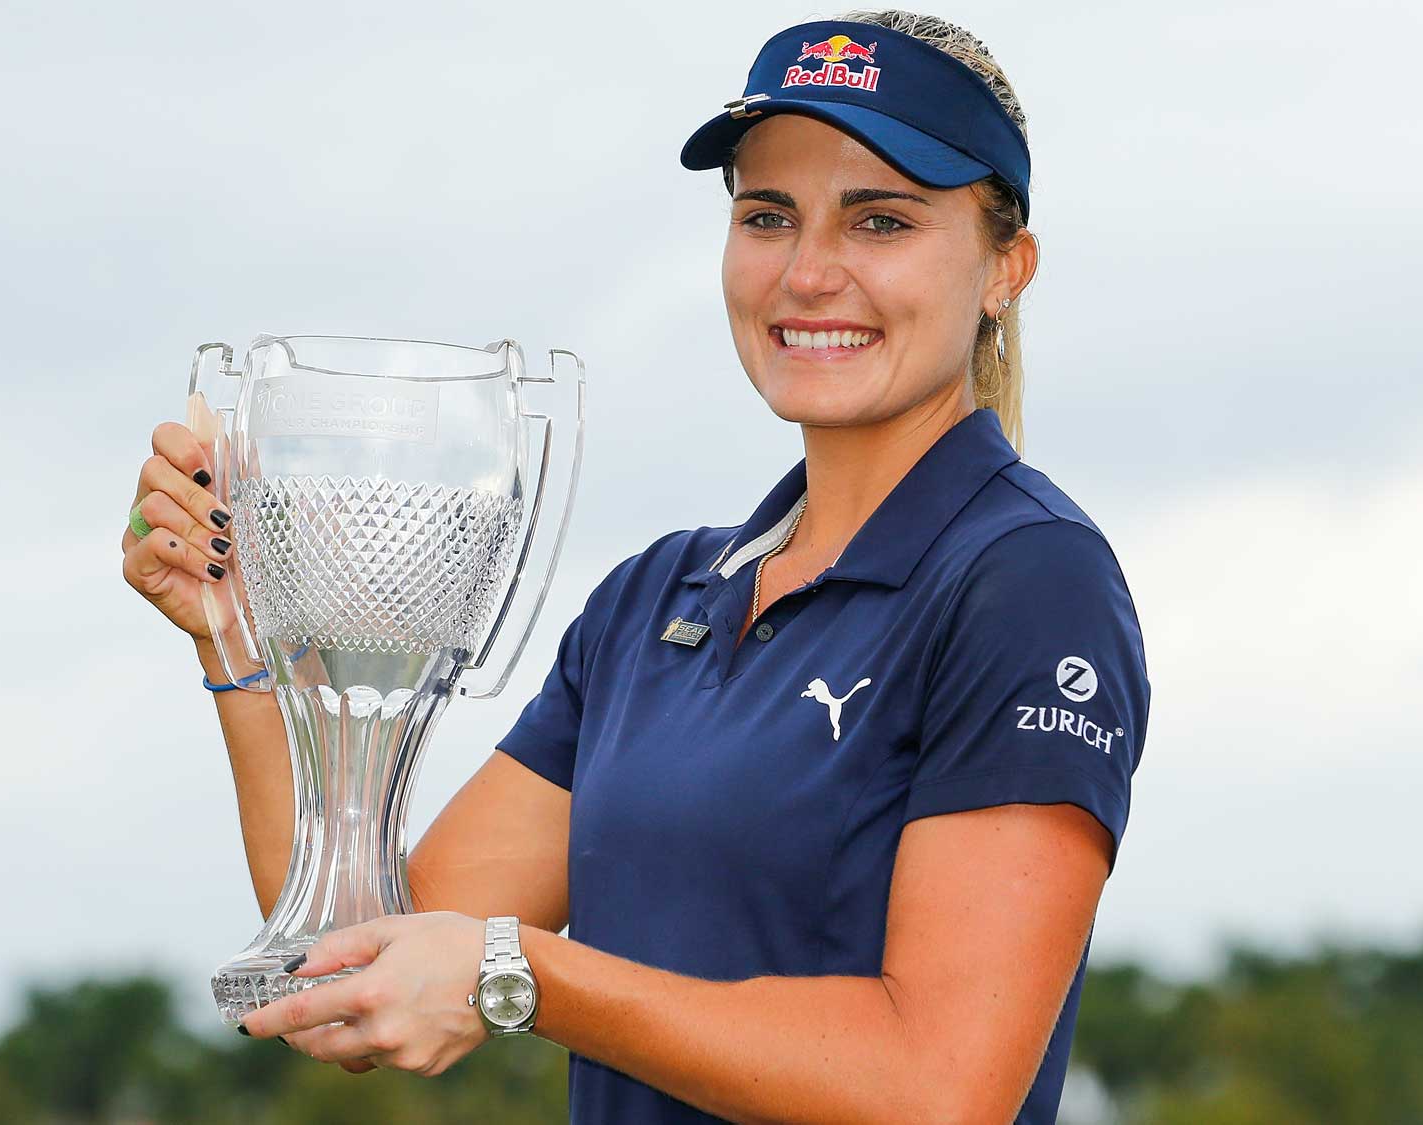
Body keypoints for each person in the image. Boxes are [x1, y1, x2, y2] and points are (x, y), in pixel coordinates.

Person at [120, 10, 1149, 1123]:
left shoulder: (1025, 581)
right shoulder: (653, 602)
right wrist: (236, 635)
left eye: (880, 221)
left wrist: (521, 973)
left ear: (1007, 267)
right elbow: (351, 957)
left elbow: (938, 1090)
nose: (807, 273)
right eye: (767, 216)